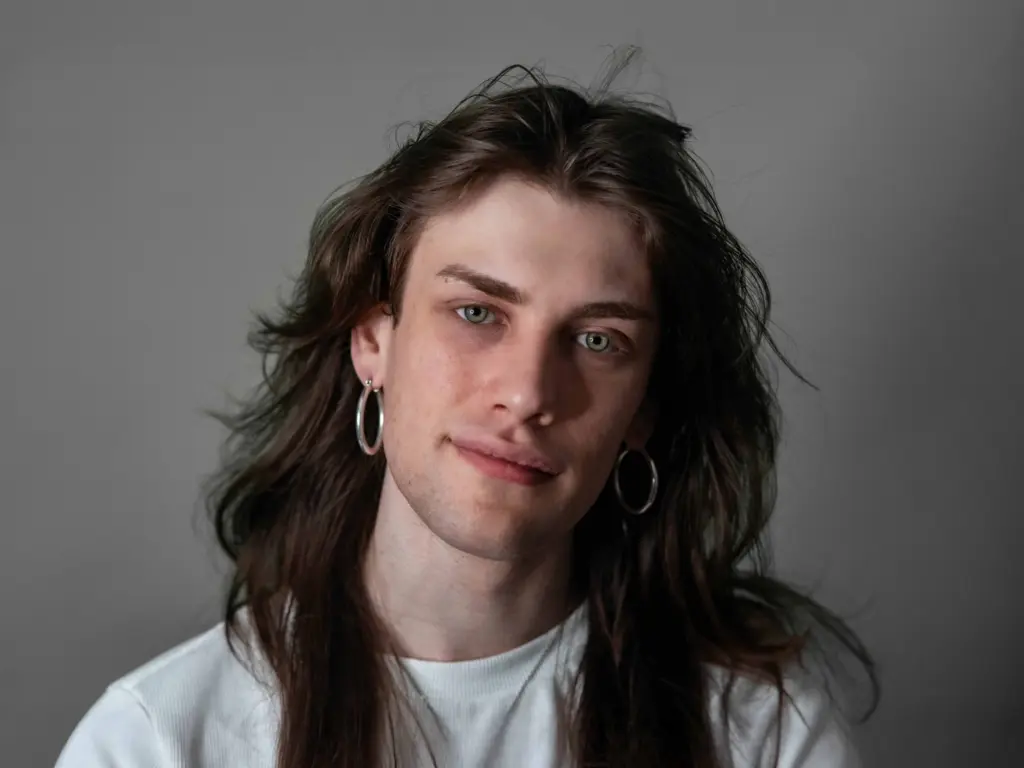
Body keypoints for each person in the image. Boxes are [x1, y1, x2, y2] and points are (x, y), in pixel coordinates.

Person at [56, 56, 878, 768]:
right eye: (478, 312)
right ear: (373, 343)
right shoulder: (159, 742)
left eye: (597, 340)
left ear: (644, 410)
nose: (526, 394)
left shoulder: (761, 735)